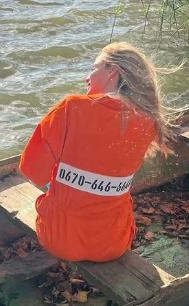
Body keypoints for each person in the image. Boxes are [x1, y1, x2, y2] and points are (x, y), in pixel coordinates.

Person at [18, 42, 172, 262]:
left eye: (94, 68)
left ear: (112, 70)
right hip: (114, 242)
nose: (87, 77)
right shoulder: (149, 120)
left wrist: (59, 185)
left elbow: (31, 170)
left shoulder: (71, 107)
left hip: (61, 239)